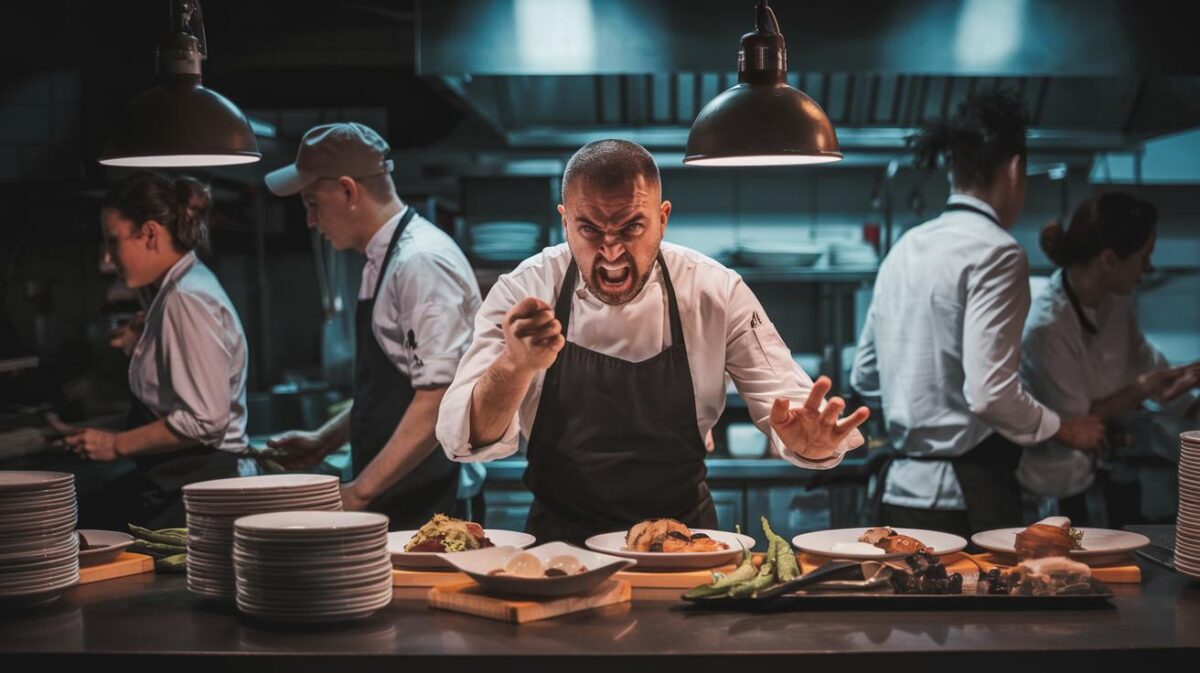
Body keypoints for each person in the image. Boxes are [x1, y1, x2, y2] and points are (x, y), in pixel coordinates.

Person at [436, 139, 869, 545]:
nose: (610, 251)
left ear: (662, 218)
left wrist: (807, 443)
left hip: (683, 542)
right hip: (562, 546)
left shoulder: (714, 290)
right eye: (589, 229)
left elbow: (785, 399)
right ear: (564, 219)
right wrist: (515, 365)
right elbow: (464, 438)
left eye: (630, 227)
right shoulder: (524, 292)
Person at [850, 89, 1106, 539]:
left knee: (903, 610)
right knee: (980, 611)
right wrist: (1064, 429)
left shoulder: (905, 247)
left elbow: (866, 376)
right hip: (966, 502)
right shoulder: (999, 253)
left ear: (954, 170)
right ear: (1014, 169)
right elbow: (989, 393)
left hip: (900, 496)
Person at [264, 123, 481, 529]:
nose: (311, 220)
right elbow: (392, 388)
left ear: (348, 191)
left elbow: (437, 397)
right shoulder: (383, 260)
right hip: (397, 493)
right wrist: (326, 438)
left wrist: (358, 492)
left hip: (431, 499)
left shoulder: (419, 262)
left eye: (312, 203)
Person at [66, 171, 249, 527]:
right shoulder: (177, 287)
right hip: (182, 479)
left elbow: (204, 421)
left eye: (113, 241)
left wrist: (115, 444)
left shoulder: (186, 297)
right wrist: (141, 341)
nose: (107, 258)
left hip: (199, 485)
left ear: (149, 233)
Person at [1020, 192, 1200, 524]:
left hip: (1102, 482)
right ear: (1108, 260)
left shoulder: (1116, 304)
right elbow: (1080, 424)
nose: (1148, 268)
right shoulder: (1047, 328)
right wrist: (1143, 389)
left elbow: (1150, 365)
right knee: (1069, 564)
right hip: (1057, 495)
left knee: (1119, 563)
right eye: (1144, 257)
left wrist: (1189, 400)